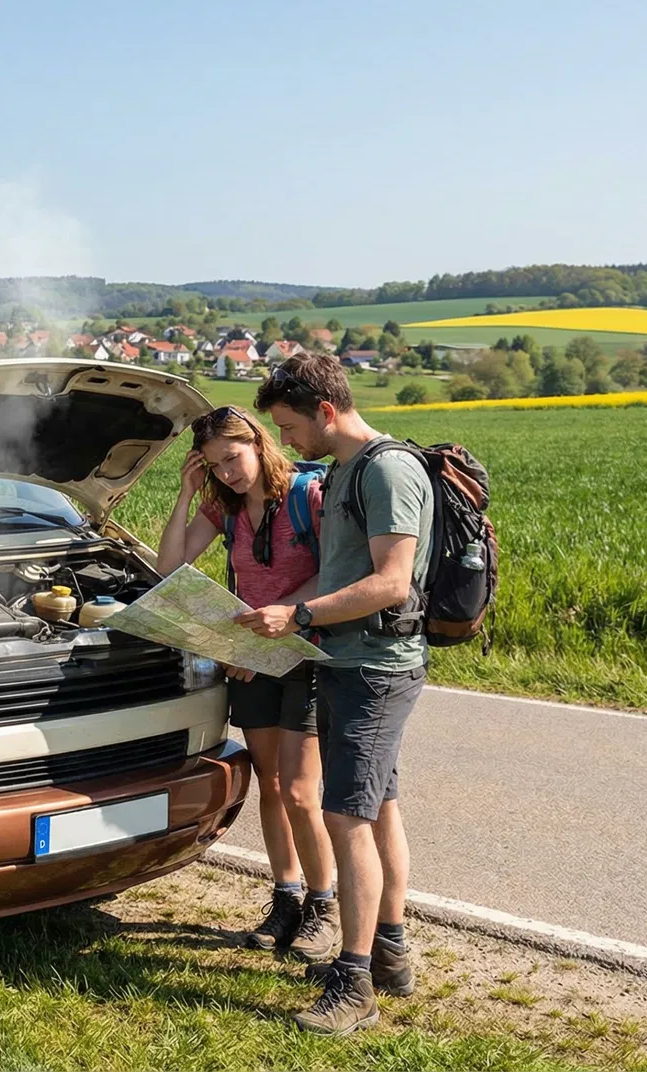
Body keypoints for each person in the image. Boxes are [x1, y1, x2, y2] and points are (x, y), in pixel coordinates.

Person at [237, 354, 432, 1037]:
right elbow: (343, 572)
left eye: (289, 426)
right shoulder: (346, 470)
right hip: (349, 661)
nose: (284, 441)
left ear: (325, 411)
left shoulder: (387, 470)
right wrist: (295, 615)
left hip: (375, 668)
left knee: (345, 817)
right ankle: (390, 951)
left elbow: (391, 583)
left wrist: (300, 615)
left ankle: (354, 983)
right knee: (378, 808)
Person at [156, 406, 339, 963]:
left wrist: (280, 616)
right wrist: (186, 496)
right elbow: (169, 570)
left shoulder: (309, 496)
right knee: (272, 785)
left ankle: (323, 905)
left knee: (302, 792)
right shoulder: (224, 506)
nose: (228, 473)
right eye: (215, 465)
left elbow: (336, 571)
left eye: (233, 458)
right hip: (253, 661)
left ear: (258, 442)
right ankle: (286, 899)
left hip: (306, 655)